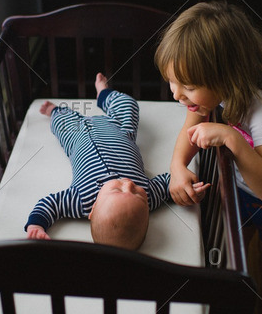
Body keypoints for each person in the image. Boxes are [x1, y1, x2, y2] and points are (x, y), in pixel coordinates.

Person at [155, 1, 262, 314]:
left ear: (226, 75)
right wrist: (177, 165)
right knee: (239, 240)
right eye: (172, 83)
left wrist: (230, 138)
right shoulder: (216, 85)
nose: (176, 95)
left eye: (187, 86)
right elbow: (192, 122)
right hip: (240, 183)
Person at [25, 73, 187, 250]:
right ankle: (103, 94)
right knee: (128, 105)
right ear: (147, 209)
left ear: (93, 210)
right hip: (121, 131)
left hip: (78, 138)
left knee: (62, 124)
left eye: (117, 190)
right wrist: (185, 186)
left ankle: (54, 111)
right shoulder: (149, 195)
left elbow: (49, 204)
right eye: (136, 193)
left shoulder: (80, 200)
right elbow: (168, 184)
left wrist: (36, 225)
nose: (127, 184)